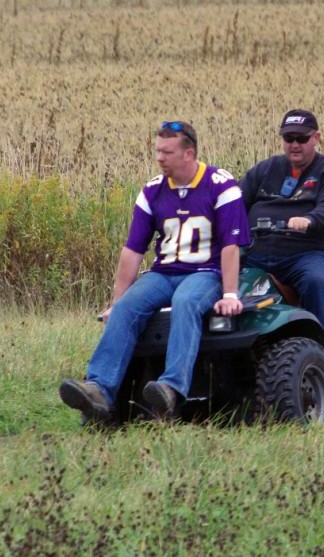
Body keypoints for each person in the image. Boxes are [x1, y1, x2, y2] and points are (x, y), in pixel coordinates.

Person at [59, 121, 251, 422]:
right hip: (163, 273)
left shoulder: (221, 185)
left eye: (167, 152)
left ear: (188, 154)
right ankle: (98, 389)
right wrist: (117, 301)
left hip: (206, 272)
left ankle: (171, 389)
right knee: (126, 309)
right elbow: (133, 250)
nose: (159, 158)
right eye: (158, 151)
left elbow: (231, 245)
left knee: (186, 302)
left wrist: (229, 293)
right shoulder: (152, 191)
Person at [239, 109, 324, 378]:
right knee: (213, 278)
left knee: (317, 283)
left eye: (301, 138)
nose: (295, 144)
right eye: (289, 138)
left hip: (306, 254)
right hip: (257, 253)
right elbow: (236, 203)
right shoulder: (265, 170)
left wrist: (310, 220)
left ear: (317, 138)